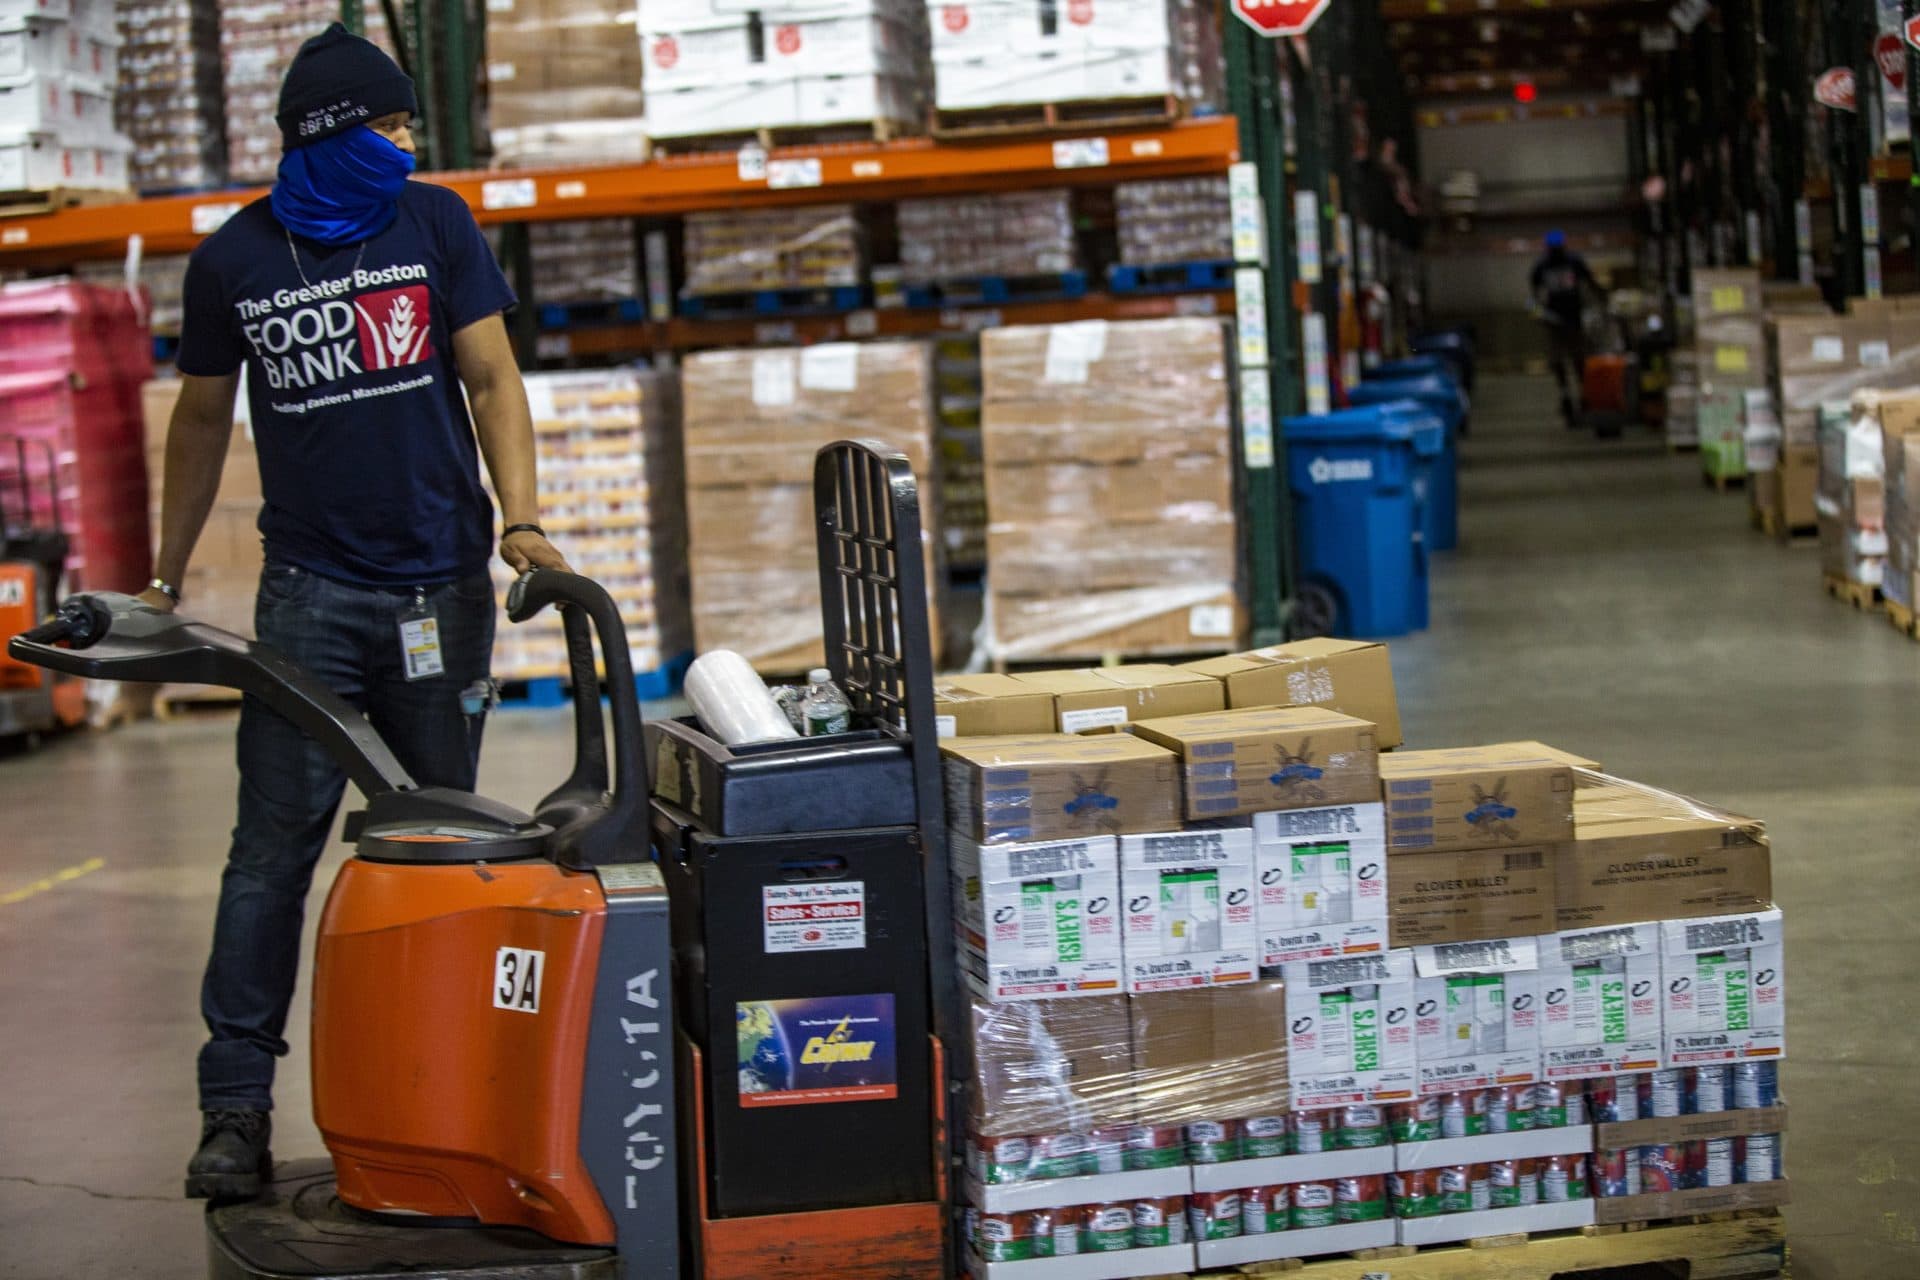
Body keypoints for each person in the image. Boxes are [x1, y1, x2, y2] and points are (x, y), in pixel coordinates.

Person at [141, 23, 569, 1199]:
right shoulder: (236, 257)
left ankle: (448, 1097)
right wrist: (165, 575)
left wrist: (519, 517)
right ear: (332, 133)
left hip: (440, 590)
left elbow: (492, 376)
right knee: (267, 855)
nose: (408, 140)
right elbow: (195, 425)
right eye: (390, 123)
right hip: (309, 601)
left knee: (446, 853)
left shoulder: (431, 222)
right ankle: (233, 1106)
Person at [1529, 230, 1601, 425]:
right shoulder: (1542, 266)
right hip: (1555, 321)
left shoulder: (1573, 262)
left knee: (1579, 360)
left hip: (1574, 319)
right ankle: (1566, 395)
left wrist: (1599, 302)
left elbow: (1590, 282)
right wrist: (1539, 313)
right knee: (1558, 361)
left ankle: (1584, 396)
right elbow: (1533, 295)